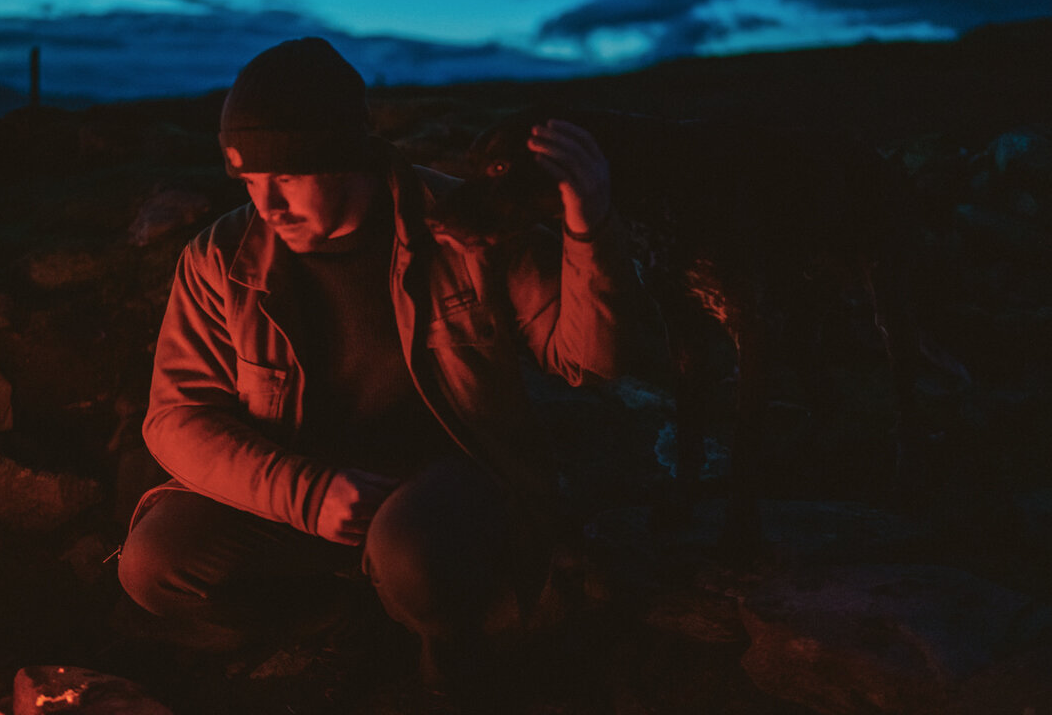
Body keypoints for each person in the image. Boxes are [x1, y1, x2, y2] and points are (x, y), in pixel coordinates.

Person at [117, 36, 665, 698]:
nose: (267, 205)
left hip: (443, 484)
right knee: (154, 566)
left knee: (412, 552)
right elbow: (176, 418)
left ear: (349, 156)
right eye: (250, 182)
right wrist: (307, 494)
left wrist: (588, 225)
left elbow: (592, 361)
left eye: (286, 177)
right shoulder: (220, 258)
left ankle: (450, 671)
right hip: (308, 491)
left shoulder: (464, 228)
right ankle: (324, 625)